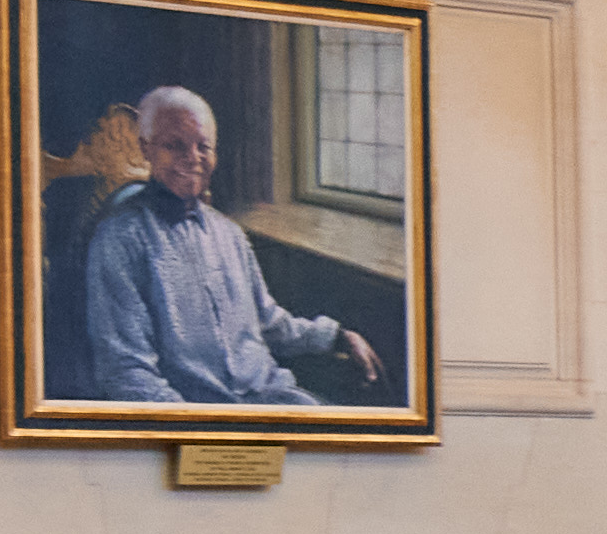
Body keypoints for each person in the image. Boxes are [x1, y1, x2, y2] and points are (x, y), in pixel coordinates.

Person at [68, 84, 379, 402]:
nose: (193, 159)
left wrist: (337, 337)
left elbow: (269, 323)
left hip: (274, 396)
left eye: (203, 147)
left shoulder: (230, 234)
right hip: (195, 414)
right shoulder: (119, 241)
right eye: (175, 145)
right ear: (146, 149)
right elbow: (127, 372)